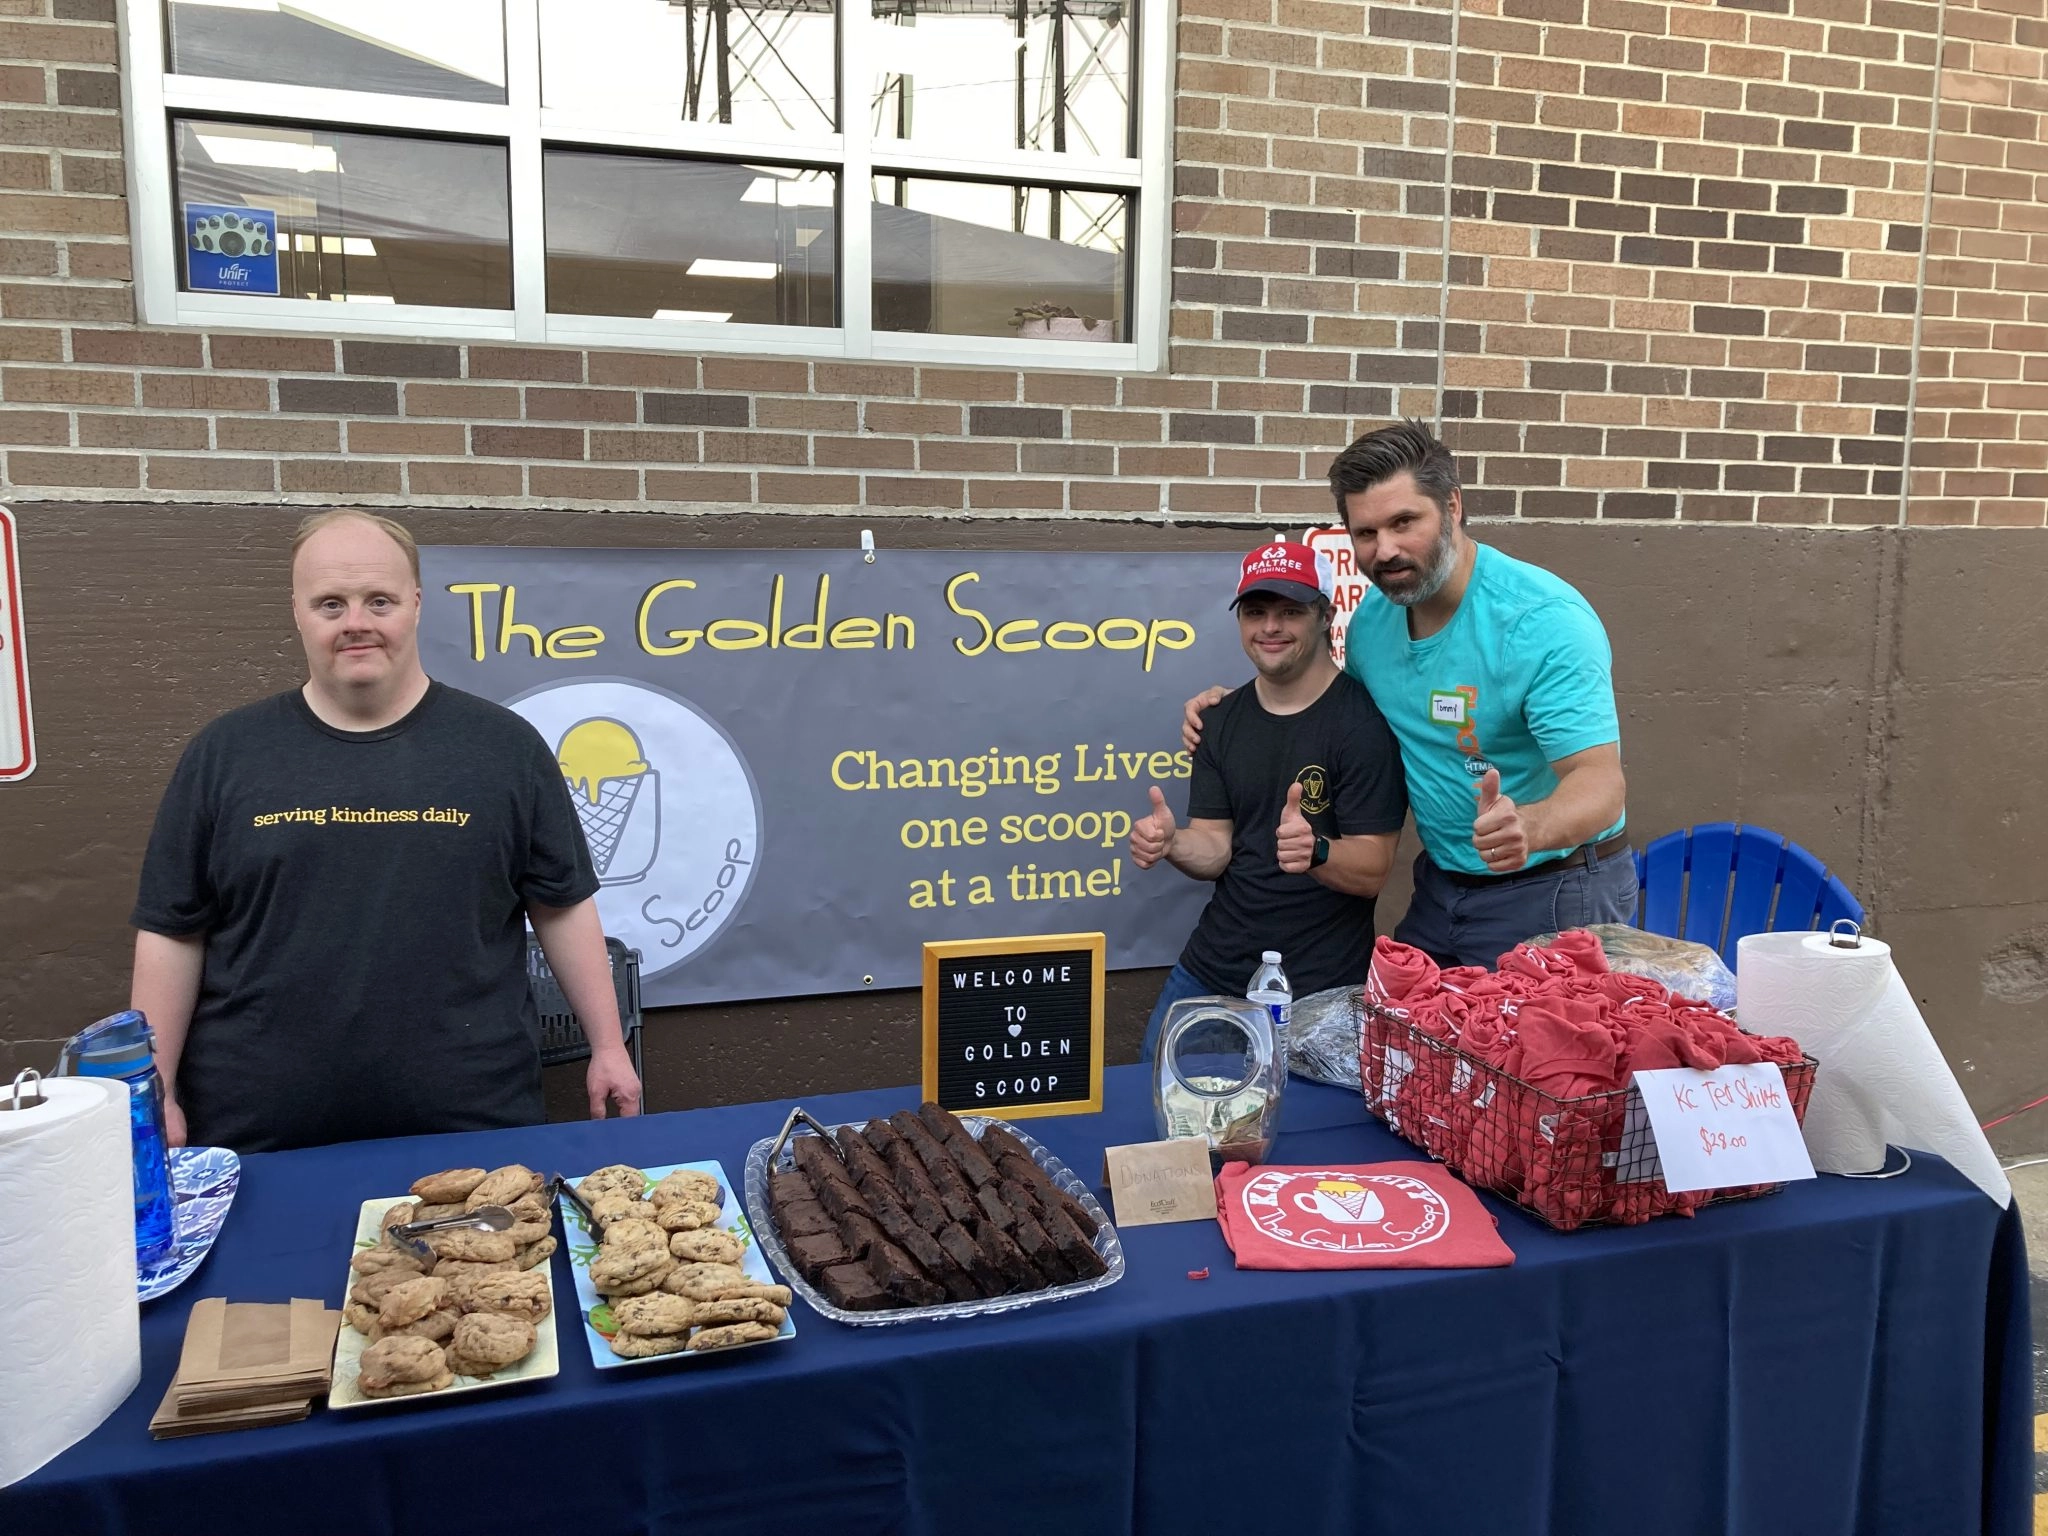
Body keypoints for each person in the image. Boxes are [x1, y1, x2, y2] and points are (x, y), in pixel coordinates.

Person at [128, 510, 642, 1153]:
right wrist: (158, 1088)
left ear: (417, 604)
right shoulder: (224, 755)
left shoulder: (503, 748)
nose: (356, 623)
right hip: (261, 1132)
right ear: (296, 611)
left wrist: (606, 1047)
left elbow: (561, 906)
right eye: (330, 603)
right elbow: (173, 931)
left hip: (473, 1123)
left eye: (379, 600)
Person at [1184, 420, 1634, 969]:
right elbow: (1324, 702)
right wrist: (1236, 708)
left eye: (1404, 522)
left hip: (1555, 885)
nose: (1386, 550)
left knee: (1525, 1055)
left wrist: (1532, 826)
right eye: (1366, 533)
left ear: (1452, 505)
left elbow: (1600, 780)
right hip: (1444, 886)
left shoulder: (1540, 621)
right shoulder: (1375, 619)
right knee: (1406, 1045)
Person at [1131, 541, 1407, 1059]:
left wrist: (1316, 852)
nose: (1270, 627)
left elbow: (1373, 868)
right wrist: (1172, 843)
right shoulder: (1219, 719)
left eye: (1290, 611)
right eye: (1256, 612)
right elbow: (1215, 847)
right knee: (1164, 1121)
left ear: (1325, 616)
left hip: (1321, 991)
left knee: (1305, 1140)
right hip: (1212, 972)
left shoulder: (1363, 725)